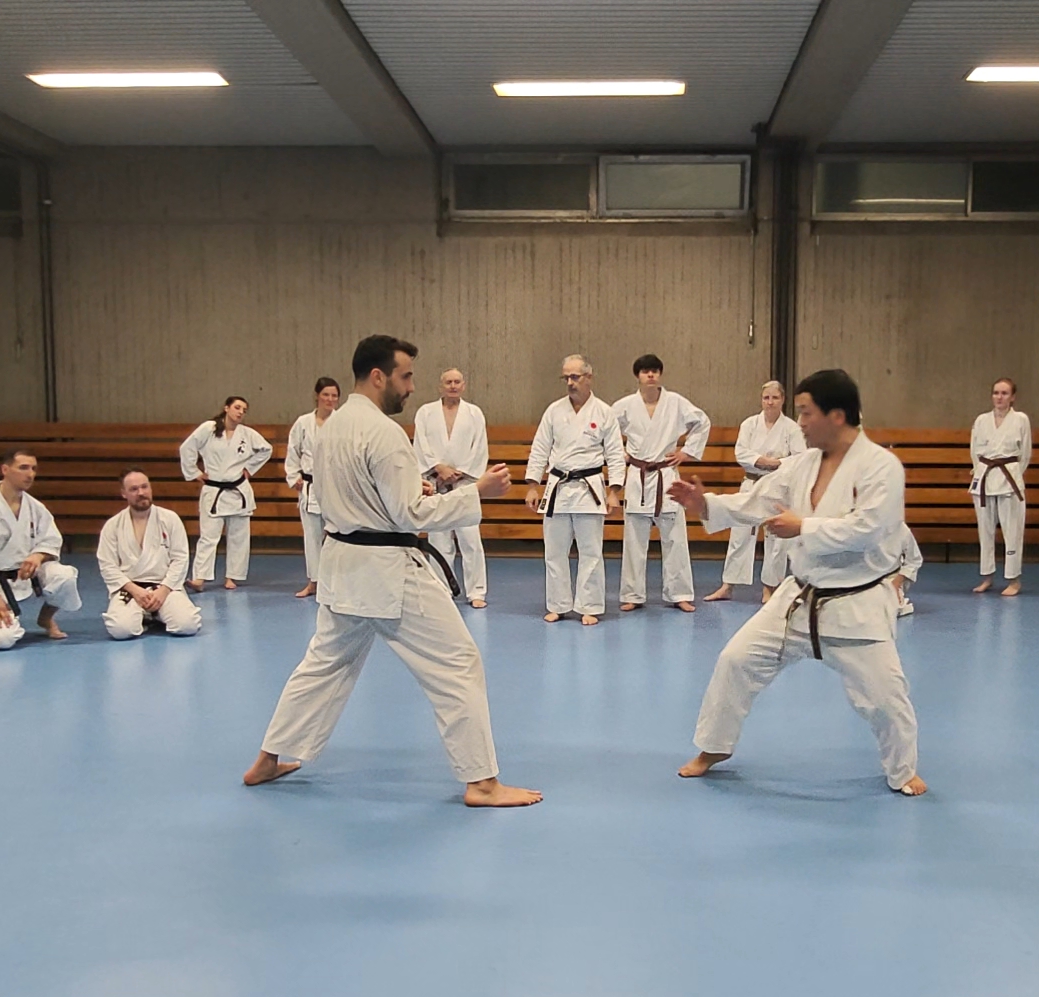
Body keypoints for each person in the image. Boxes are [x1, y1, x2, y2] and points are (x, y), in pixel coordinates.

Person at [242, 335, 541, 808]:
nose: (411, 387)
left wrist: (409, 487)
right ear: (377, 376)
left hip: (341, 566)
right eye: (405, 377)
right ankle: (482, 783)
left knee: (323, 665)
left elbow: (364, 493)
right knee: (457, 664)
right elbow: (412, 516)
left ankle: (267, 759)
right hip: (388, 573)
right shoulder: (383, 433)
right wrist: (476, 492)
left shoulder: (333, 428)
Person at [670, 369, 928, 797]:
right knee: (736, 659)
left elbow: (868, 529)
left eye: (807, 412)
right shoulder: (803, 464)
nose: (801, 421)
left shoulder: (882, 467)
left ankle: (902, 771)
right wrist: (707, 504)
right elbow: (760, 499)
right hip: (799, 596)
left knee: (885, 699)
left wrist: (803, 526)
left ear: (838, 415)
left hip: (856, 602)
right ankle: (714, 748)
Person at [525, 355, 627, 625]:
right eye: (566, 378)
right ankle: (557, 604)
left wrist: (614, 491)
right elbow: (540, 449)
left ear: (588, 377)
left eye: (575, 377)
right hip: (557, 487)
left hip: (589, 488)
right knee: (554, 551)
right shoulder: (554, 411)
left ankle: (589, 605)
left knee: (591, 551)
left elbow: (616, 454)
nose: (570, 382)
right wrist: (533, 486)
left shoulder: (604, 412)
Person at [0, 449, 83, 648]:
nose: (30, 474)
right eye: (23, 468)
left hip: (25, 576)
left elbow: (52, 540)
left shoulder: (35, 507)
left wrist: (38, 556)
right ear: (5, 469)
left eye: (33, 469)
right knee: (2, 639)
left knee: (64, 576)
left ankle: (46, 618)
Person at [612, 354, 711, 612]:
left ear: (660, 374)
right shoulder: (624, 405)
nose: (651, 375)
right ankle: (632, 594)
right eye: (645, 371)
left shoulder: (675, 403)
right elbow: (606, 430)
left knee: (675, 538)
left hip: (666, 476)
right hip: (638, 476)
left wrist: (686, 452)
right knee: (634, 540)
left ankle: (679, 593)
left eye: (655, 371)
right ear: (638, 376)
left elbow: (702, 422)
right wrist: (618, 454)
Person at [707, 380, 806, 603]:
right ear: (761, 400)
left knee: (776, 539)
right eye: (766, 398)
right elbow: (741, 452)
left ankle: (769, 587)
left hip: (778, 486)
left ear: (783, 400)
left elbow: (801, 457)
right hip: (751, 482)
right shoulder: (750, 424)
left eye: (775, 398)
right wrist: (761, 460)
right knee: (740, 533)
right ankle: (728, 585)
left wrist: (776, 464)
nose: (770, 402)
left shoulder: (792, 428)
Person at [413, 368, 491, 608]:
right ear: (441, 386)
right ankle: (441, 589)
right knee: (439, 540)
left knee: (470, 540)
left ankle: (476, 591)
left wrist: (459, 473)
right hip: (436, 482)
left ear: (464, 385)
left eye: (457, 382)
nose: (453, 386)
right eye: (448, 382)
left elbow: (479, 448)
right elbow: (421, 445)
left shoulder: (474, 413)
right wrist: (438, 468)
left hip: (465, 483)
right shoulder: (425, 413)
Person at [179, 396, 273, 592]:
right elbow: (187, 448)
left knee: (239, 536)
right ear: (226, 408)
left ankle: (233, 576)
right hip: (214, 490)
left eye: (244, 410)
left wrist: (249, 468)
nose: (240, 412)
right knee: (208, 536)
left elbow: (266, 449)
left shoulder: (247, 433)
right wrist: (195, 473)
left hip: (238, 491)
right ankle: (199, 578)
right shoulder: (209, 428)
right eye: (237, 407)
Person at [97, 469, 200, 640]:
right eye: (134, 489)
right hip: (130, 589)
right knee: (121, 630)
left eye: (145, 487)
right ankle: (146, 614)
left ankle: (155, 612)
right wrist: (136, 591)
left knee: (187, 625)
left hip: (164, 587)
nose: (141, 493)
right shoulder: (113, 526)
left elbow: (180, 559)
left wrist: (164, 590)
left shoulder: (170, 519)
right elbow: (107, 566)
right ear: (124, 494)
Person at [970, 377, 1032, 596]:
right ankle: (987, 576)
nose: (999, 397)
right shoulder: (981, 420)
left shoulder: (1021, 420)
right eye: (996, 393)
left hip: (1009, 478)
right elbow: (974, 452)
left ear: (1012, 397)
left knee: (1012, 531)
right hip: (985, 478)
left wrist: (1014, 473)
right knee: (985, 531)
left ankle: (1014, 579)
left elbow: (1025, 454)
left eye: (1004, 393)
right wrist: (980, 472)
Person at [287, 378, 341, 599]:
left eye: (334, 396)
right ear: (317, 395)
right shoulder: (303, 423)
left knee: (338, 536)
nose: (330, 399)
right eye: (326, 395)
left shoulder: (342, 421)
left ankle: (336, 584)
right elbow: (293, 451)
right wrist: (294, 476)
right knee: (312, 536)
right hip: (309, 485)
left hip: (335, 486)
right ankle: (314, 582)